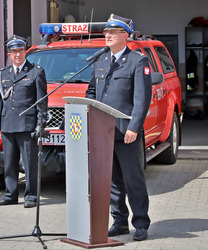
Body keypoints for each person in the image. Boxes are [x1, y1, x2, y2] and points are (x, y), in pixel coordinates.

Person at [85, 14, 152, 241]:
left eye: (112, 33)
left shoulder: (137, 61)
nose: (107, 36)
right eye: (106, 33)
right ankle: (120, 221)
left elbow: (141, 99)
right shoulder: (101, 61)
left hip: (127, 133)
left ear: (125, 35)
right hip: (104, 133)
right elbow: (92, 93)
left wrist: (134, 127)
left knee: (133, 179)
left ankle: (141, 223)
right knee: (113, 181)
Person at [0, 35, 47, 208]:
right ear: (9, 54)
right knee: (9, 163)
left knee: (30, 163)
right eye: (14, 51)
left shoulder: (36, 71)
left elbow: (42, 102)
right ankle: (10, 194)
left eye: (21, 50)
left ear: (25, 52)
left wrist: (40, 124)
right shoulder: (3, 74)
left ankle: (31, 196)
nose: (18, 54)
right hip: (8, 125)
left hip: (27, 126)